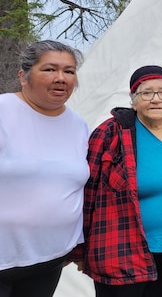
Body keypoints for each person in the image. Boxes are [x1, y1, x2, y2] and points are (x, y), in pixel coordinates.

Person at [71, 65, 162, 297]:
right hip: (119, 249)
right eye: (146, 93)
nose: (155, 99)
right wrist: (80, 249)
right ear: (133, 100)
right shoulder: (110, 133)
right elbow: (87, 193)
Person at [0, 40, 89, 297]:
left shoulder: (78, 126)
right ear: (23, 76)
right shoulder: (4, 111)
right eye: (50, 69)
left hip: (49, 260)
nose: (61, 78)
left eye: (69, 71)